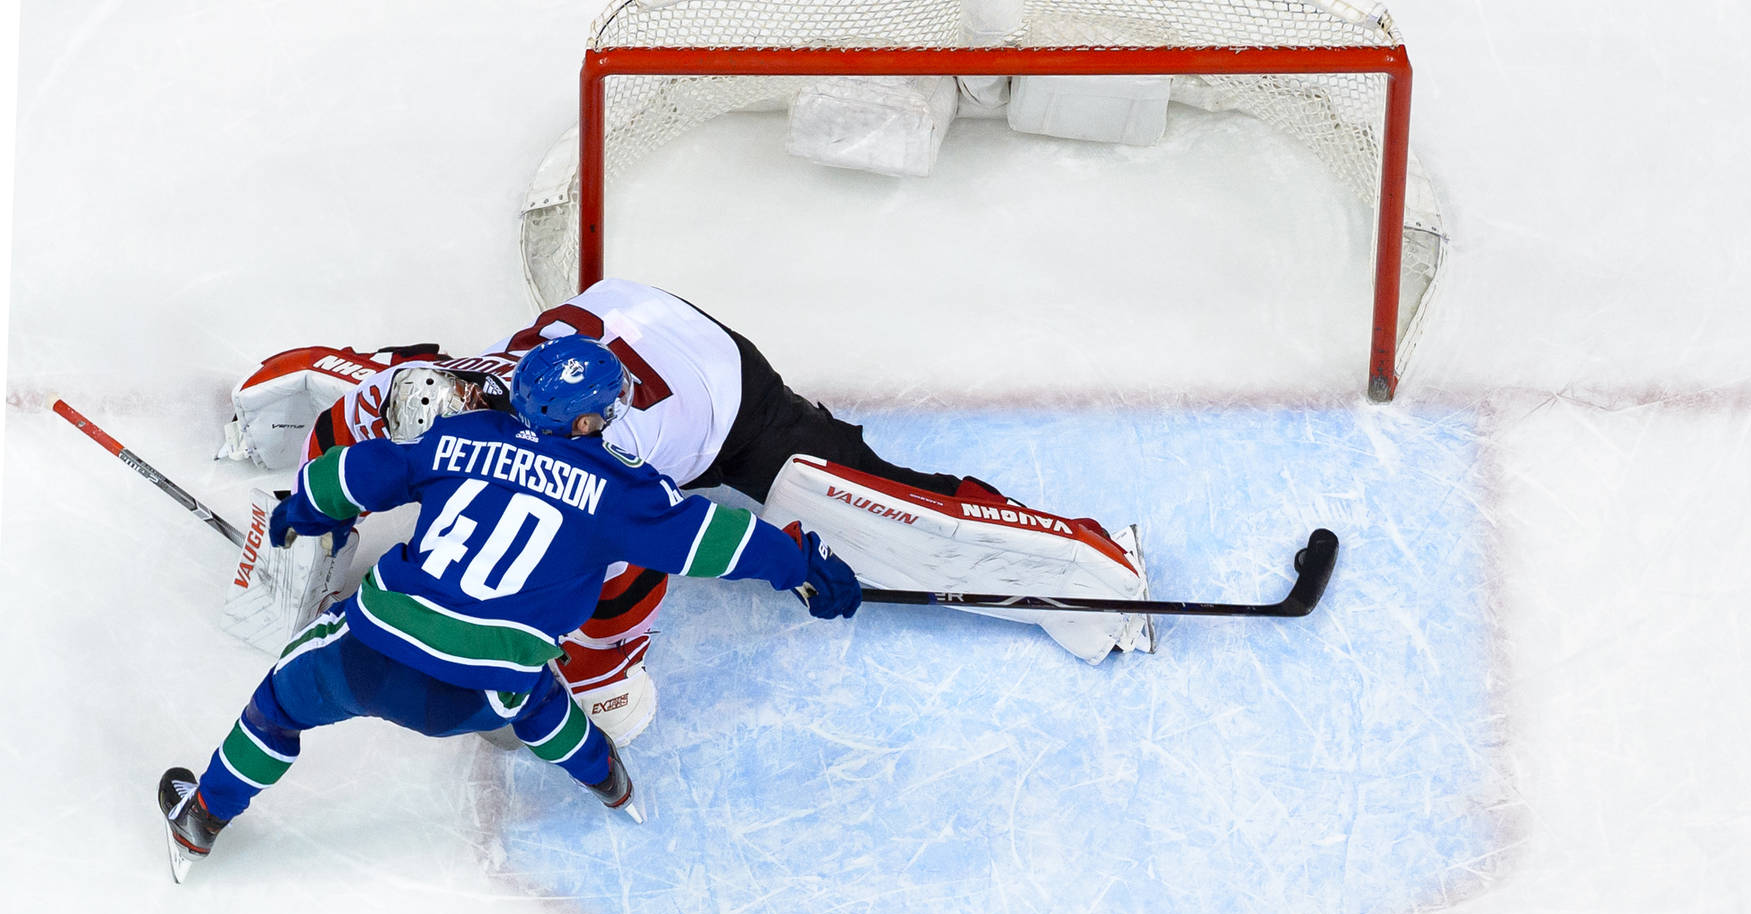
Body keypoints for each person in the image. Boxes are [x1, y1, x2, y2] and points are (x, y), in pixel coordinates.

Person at [217, 279, 1153, 745]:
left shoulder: (602, 468)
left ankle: (1084, 554)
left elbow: (666, 549)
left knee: (863, 514)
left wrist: (792, 560)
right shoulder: (429, 395)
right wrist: (308, 507)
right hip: (611, 314)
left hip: (723, 399)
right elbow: (353, 401)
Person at [160, 334, 863, 883]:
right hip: (484, 695)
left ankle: (203, 815)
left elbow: (360, 473)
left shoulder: (459, 438)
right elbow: (722, 541)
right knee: (537, 701)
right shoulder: (624, 491)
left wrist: (301, 513)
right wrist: (804, 566)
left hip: (370, 657)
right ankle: (609, 780)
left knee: (280, 704)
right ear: (589, 419)